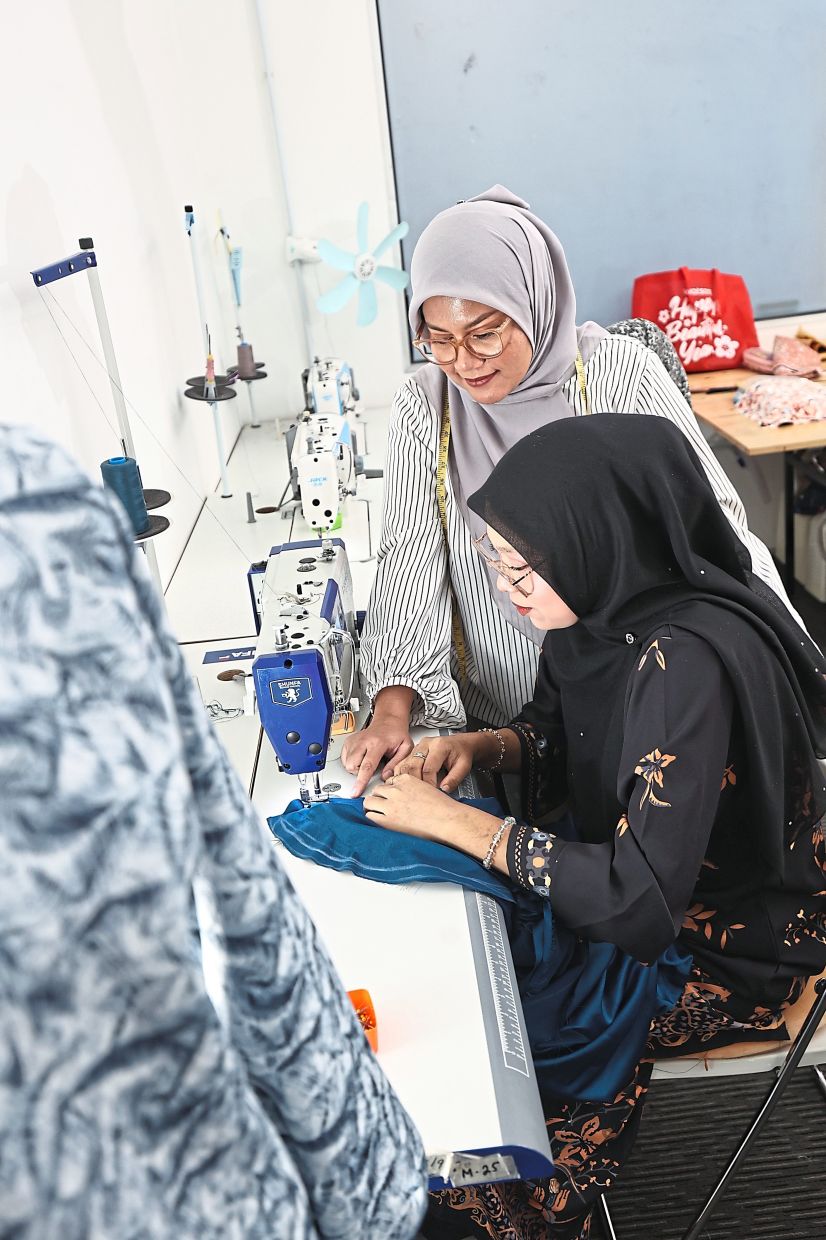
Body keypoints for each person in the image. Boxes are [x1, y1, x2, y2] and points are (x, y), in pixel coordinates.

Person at [362, 414, 826, 1239]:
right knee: (459, 980)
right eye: (497, 563)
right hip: (645, 889)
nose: (509, 589)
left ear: (598, 537)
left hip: (724, 940)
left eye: (523, 567)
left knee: (484, 1035)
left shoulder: (685, 660)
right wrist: (480, 745)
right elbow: (558, 732)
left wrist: (467, 831)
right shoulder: (601, 612)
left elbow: (638, 898)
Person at [0, 425, 427, 1239]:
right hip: (191, 1187)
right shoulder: (33, 510)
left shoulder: (35, 509)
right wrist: (366, 1194)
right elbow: (247, 902)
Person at [343, 186, 801, 797]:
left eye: (485, 332)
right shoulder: (426, 404)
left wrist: (781, 671)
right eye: (439, 339)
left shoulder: (617, 376)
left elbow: (712, 529)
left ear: (533, 301)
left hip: (642, 707)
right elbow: (410, 556)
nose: (464, 361)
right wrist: (392, 710)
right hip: (506, 720)